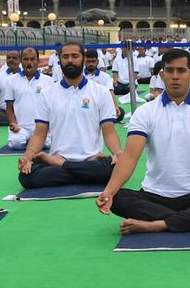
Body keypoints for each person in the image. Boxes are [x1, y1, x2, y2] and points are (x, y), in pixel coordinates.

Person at [96, 49, 190, 234]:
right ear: (161, 75)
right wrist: (109, 192)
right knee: (118, 198)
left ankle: (158, 224)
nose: (175, 76)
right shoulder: (145, 112)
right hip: (154, 196)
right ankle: (187, 220)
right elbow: (129, 157)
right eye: (169, 70)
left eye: (181, 70)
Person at [17, 42, 122, 189]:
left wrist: (117, 153)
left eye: (75, 56)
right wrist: (27, 158)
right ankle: (80, 173)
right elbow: (40, 133)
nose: (70, 60)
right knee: (26, 177)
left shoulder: (101, 92)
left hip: (89, 159)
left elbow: (109, 131)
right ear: (60, 60)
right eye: (65, 57)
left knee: (115, 168)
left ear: (83, 58)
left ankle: (64, 166)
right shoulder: (47, 94)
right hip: (66, 160)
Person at [2, 47, 51, 151]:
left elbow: (52, 108)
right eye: (26, 59)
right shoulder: (11, 80)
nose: (29, 63)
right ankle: (30, 140)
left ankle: (32, 141)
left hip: (41, 127)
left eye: (32, 59)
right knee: (15, 143)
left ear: (38, 61)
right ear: (21, 61)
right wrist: (13, 123)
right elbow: (9, 108)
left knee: (48, 143)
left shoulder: (48, 81)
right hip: (21, 127)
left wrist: (50, 127)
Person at [84, 48, 125, 123]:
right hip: (85, 104)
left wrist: (115, 106)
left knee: (120, 112)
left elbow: (111, 92)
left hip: (101, 104)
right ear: (84, 61)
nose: (91, 64)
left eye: (93, 61)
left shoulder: (105, 76)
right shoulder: (80, 76)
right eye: (88, 61)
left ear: (97, 62)